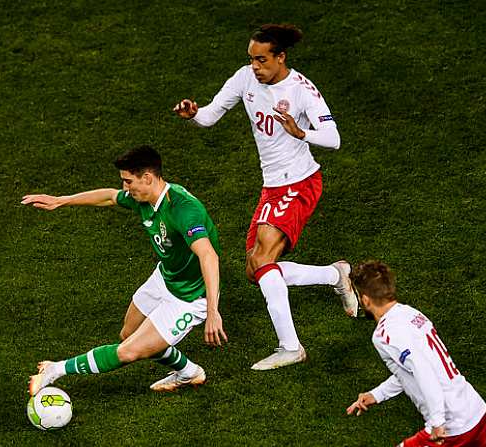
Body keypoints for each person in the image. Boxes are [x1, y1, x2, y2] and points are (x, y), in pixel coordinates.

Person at [173, 23, 357, 370]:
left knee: (263, 261)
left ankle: (290, 346)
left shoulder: (302, 90)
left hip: (299, 183)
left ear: (280, 57)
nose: (255, 66)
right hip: (272, 185)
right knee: (254, 269)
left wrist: (299, 131)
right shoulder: (245, 79)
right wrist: (193, 114)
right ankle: (336, 275)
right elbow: (211, 115)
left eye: (261, 60)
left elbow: (333, 139)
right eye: (251, 59)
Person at [22, 145, 227, 395]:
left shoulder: (182, 208)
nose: (125, 188)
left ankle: (55, 370)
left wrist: (212, 311)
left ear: (148, 178)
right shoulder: (144, 199)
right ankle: (188, 372)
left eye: (128, 181)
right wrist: (61, 201)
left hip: (191, 297)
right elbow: (109, 196)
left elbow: (208, 255)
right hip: (166, 277)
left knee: (129, 351)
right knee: (128, 334)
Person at [346, 261, 486, 447]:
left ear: (365, 300)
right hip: (474, 410)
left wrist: (438, 422)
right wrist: (377, 394)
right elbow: (413, 368)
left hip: (452, 426)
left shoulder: (384, 334)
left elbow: (423, 369)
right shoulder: (412, 314)